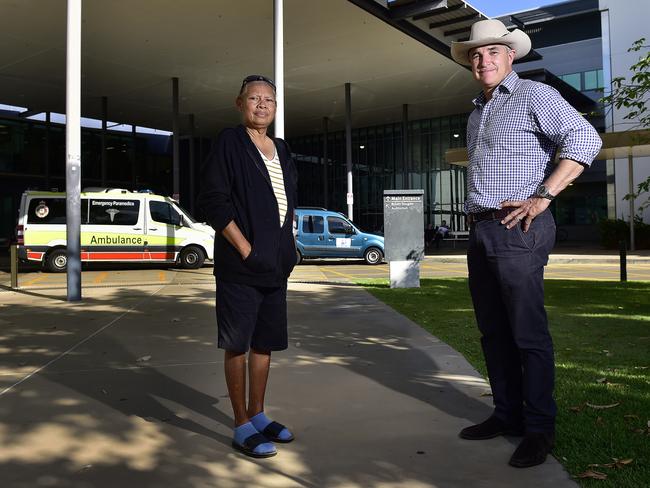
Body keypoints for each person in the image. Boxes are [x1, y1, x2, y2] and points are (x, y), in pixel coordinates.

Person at [450, 20, 601, 468]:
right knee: (493, 331)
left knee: (526, 332)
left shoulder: (535, 95)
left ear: (510, 56)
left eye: (493, 52)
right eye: (476, 55)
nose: (484, 60)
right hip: (481, 228)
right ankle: (507, 415)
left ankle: (539, 428)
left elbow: (585, 138)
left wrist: (544, 195)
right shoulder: (476, 110)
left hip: (519, 226)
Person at [197, 74, 298, 458]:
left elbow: (288, 201)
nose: (261, 105)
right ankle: (240, 422)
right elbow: (214, 201)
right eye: (254, 98)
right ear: (240, 103)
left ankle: (258, 414)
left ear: (275, 106)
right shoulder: (230, 142)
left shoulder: (283, 149)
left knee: (265, 343)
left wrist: (288, 248)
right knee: (237, 344)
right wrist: (245, 249)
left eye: (268, 99)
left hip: (277, 265)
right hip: (241, 266)